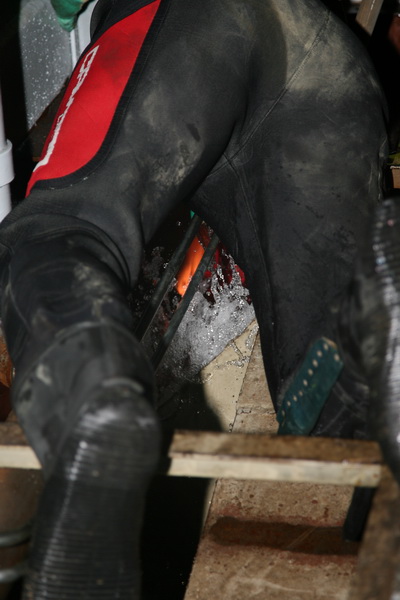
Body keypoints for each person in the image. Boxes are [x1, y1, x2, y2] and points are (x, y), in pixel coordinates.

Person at [0, 0, 388, 597]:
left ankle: (89, 409)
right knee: (330, 394)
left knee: (64, 228)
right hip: (331, 73)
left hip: (196, 20)